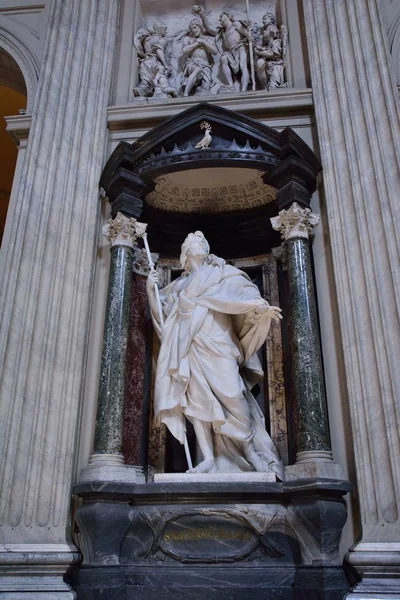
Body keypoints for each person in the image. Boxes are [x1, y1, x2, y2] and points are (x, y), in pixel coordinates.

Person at [146, 231, 284, 479]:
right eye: (192, 243)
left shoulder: (222, 273)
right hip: (190, 348)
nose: (198, 243)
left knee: (234, 395)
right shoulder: (179, 286)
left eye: (201, 241)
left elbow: (244, 294)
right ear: (185, 255)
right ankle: (208, 458)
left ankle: (251, 452)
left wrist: (259, 307)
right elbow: (164, 320)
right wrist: (149, 289)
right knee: (198, 403)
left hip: (219, 345)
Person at [192, 5, 251, 92]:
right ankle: (230, 85)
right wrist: (202, 14)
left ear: (227, 16)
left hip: (240, 48)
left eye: (221, 17)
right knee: (223, 58)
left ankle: (244, 89)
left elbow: (247, 34)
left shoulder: (235, 24)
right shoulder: (222, 32)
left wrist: (250, 36)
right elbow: (208, 28)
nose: (219, 19)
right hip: (229, 52)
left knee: (243, 65)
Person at [180, 18, 217, 97]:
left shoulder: (208, 39)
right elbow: (184, 50)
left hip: (206, 66)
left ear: (200, 27)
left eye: (195, 27)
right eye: (192, 29)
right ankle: (185, 94)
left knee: (205, 89)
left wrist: (203, 42)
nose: (193, 30)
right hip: (193, 64)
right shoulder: (188, 39)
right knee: (198, 69)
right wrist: (196, 44)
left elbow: (214, 51)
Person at [254, 13, 287, 90]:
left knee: (261, 62)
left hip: (275, 64)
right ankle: (264, 87)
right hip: (266, 65)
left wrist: (259, 52)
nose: (264, 32)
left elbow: (275, 54)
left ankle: (270, 86)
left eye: (265, 18)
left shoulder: (276, 42)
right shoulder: (264, 45)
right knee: (259, 62)